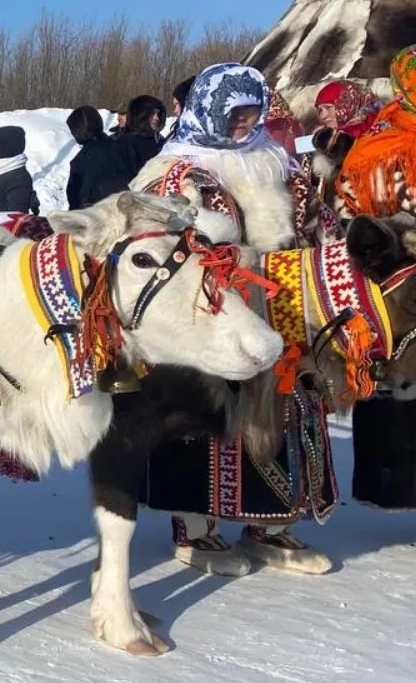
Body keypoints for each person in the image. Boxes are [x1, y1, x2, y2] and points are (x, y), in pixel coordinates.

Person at [131, 61, 336, 575]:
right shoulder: (175, 171)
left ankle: (271, 522)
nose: (246, 123)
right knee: (204, 413)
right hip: (214, 313)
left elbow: (313, 223)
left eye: (251, 113)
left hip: (285, 305)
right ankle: (196, 529)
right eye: (236, 115)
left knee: (286, 410)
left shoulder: (274, 160)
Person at [337, 47, 416, 511]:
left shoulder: (378, 135)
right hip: (393, 276)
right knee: (399, 381)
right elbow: (350, 204)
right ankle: (397, 486)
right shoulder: (384, 141)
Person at [63, 106, 130, 209]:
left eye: (74, 130)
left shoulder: (85, 159)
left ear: (80, 129)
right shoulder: (116, 145)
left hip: (95, 216)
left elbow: (80, 196)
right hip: (122, 210)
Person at [113, 95, 167, 175]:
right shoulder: (124, 144)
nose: (156, 118)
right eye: (152, 114)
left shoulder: (161, 143)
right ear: (140, 115)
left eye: (158, 114)